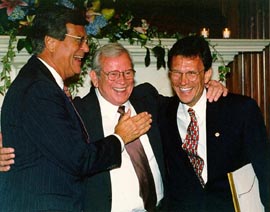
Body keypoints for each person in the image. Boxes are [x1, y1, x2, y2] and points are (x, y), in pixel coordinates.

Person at [0, 41, 228, 211]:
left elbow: (185, 101)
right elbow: (46, 149)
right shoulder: (77, 113)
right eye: (113, 74)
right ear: (95, 77)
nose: (123, 80)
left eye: (128, 72)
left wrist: (209, 87)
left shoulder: (147, 99)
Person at [0, 7, 152, 211]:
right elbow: (79, 159)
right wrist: (120, 137)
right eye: (79, 40)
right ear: (51, 42)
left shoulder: (41, 84)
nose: (86, 48)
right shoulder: (39, 90)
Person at [159, 35, 270, 211]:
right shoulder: (162, 113)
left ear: (207, 75)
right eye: (176, 73)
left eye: (191, 73)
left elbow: (265, 170)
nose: (183, 81)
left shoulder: (240, 110)